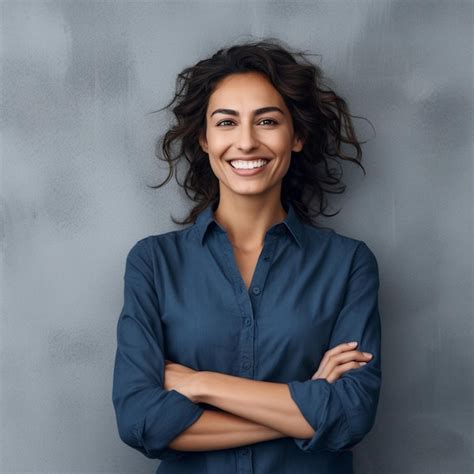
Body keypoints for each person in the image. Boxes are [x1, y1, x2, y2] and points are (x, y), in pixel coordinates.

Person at [112, 38, 382, 474]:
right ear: (203, 139)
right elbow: (141, 421)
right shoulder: (153, 264)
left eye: (267, 121)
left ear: (297, 136)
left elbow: (350, 416)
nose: (247, 142)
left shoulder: (348, 264)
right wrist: (306, 407)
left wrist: (201, 385)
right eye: (226, 123)